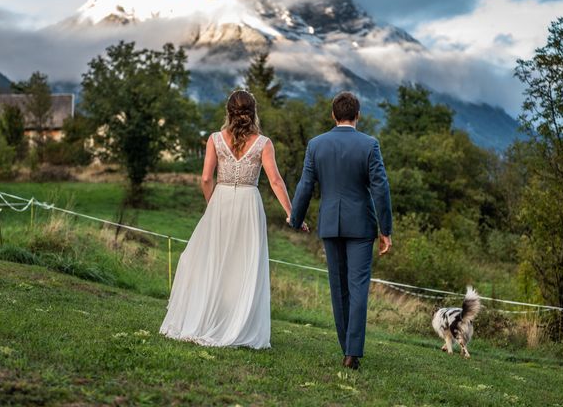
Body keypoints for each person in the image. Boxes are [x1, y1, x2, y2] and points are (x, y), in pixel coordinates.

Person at [160, 90, 304, 348]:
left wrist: (212, 204)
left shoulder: (215, 139)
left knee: (214, 262)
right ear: (253, 112)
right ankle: (236, 324)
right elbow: (275, 181)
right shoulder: (264, 143)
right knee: (244, 264)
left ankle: (208, 319)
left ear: (228, 112)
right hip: (249, 203)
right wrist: (292, 212)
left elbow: (206, 178)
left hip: (221, 201)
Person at [289, 91, 392, 370]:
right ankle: (352, 351)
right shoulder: (370, 144)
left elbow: (305, 186)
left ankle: (346, 346)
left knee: (338, 288)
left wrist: (296, 219)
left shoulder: (316, 144)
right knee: (358, 287)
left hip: (330, 224)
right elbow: (381, 189)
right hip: (361, 225)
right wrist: (386, 230)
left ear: (333, 115)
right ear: (358, 115)